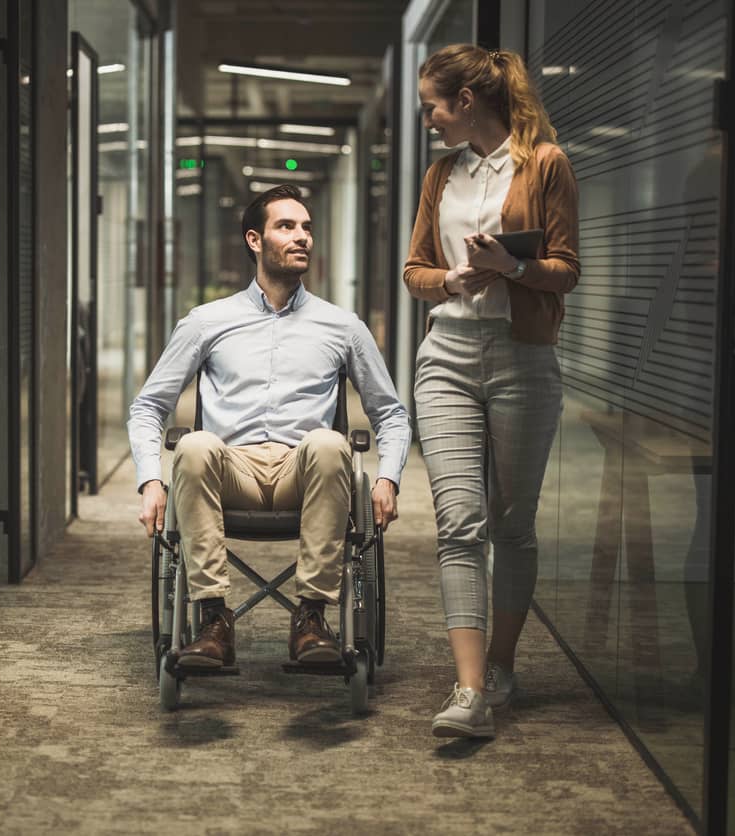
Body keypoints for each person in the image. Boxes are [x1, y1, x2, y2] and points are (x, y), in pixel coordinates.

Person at [129, 184, 412, 672]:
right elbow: (149, 405)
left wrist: (387, 478)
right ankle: (214, 620)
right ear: (255, 240)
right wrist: (151, 481)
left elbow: (390, 413)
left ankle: (311, 619)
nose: (302, 236)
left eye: (306, 227)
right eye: (287, 226)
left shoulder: (342, 326)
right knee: (193, 445)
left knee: (329, 443)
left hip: (305, 472)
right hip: (228, 470)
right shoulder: (206, 322)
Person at [403, 45, 580, 737]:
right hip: (445, 354)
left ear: (468, 102)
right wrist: (451, 280)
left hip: (521, 357)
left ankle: (502, 666)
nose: (429, 119)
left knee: (512, 523)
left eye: (433, 107)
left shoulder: (545, 165)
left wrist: (511, 265)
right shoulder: (440, 173)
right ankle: (470, 692)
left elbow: (565, 270)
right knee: (459, 524)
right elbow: (417, 268)